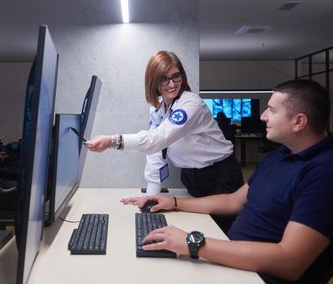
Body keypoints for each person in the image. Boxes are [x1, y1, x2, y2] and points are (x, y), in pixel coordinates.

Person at [121, 79, 333, 284]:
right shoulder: (278, 156)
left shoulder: (328, 173)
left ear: (299, 122)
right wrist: (173, 203)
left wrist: (194, 243)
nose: (263, 116)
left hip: (261, 282)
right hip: (234, 264)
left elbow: (290, 261)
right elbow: (233, 201)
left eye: (272, 110)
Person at [86, 51, 243, 231]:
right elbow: (155, 152)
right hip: (192, 177)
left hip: (221, 176)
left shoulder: (191, 104)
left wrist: (112, 141)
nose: (171, 84)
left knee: (219, 235)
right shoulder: (157, 107)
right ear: (154, 82)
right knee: (200, 230)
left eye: (176, 76)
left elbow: (157, 140)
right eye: (164, 79)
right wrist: (151, 197)